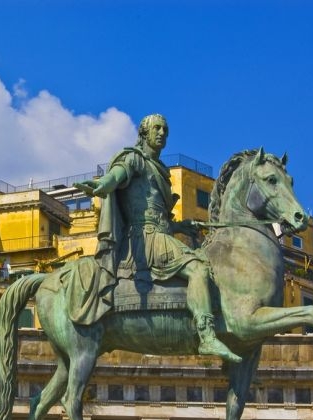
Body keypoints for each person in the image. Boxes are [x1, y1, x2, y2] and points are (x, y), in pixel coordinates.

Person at [77, 114, 241, 363]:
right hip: (145, 238)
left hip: (161, 234)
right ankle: (206, 336)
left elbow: (158, 215)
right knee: (198, 269)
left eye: (166, 129)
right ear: (144, 133)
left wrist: (182, 226)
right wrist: (103, 185)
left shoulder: (159, 170)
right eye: (157, 128)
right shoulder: (134, 159)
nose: (162, 133)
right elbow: (117, 175)